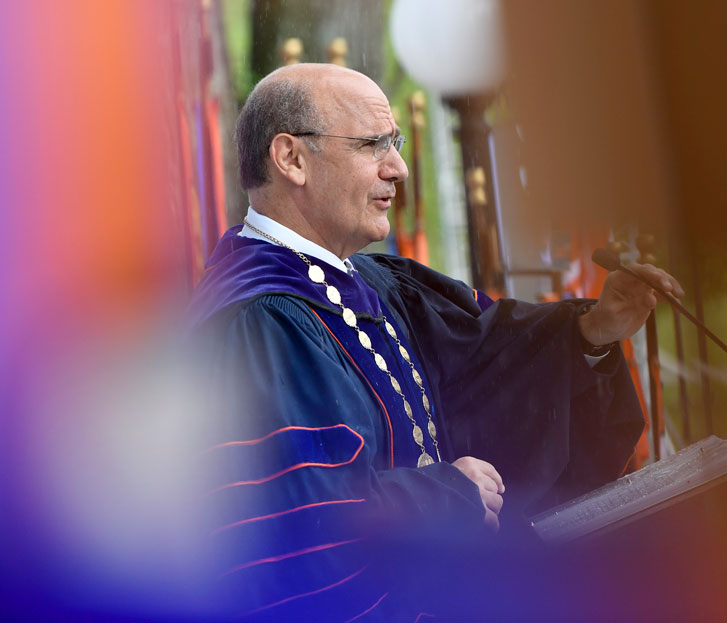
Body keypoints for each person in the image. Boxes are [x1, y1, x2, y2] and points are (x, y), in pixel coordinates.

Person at [189, 63, 683, 620]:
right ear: (292, 159)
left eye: (395, 144)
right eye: (372, 145)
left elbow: (483, 361)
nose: (397, 168)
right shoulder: (264, 320)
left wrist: (592, 332)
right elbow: (308, 527)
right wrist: (450, 495)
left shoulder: (367, 283)